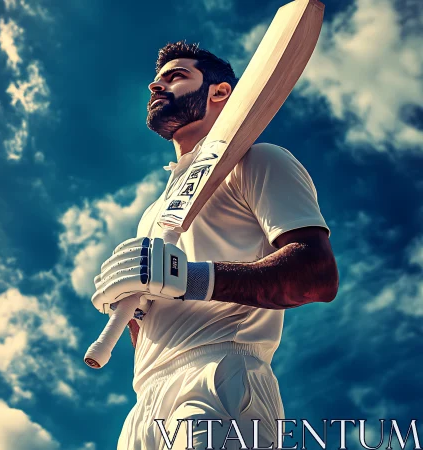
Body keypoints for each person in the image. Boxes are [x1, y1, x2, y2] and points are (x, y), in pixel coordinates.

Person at [91, 41, 339, 450]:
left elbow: (317, 276)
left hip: (220, 372)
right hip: (144, 405)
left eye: (175, 76)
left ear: (219, 91)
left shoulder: (259, 159)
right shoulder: (154, 211)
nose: (156, 86)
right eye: (156, 79)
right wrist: (133, 308)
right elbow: (159, 314)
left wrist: (187, 277)